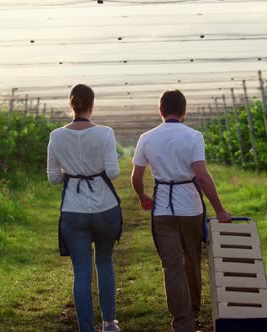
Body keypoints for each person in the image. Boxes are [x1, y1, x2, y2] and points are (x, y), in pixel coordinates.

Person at [130, 89, 232, 332]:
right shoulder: (194, 136)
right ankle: (194, 310)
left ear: (161, 111)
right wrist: (219, 209)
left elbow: (136, 176)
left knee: (172, 266)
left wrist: (143, 195)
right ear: (184, 112)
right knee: (192, 260)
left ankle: (182, 322)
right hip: (191, 208)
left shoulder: (147, 137)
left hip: (163, 208)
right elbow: (202, 176)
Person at [47, 84, 122, 332]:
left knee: (81, 270)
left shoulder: (56, 136)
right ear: (92, 104)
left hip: (73, 209)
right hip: (105, 207)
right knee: (104, 262)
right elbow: (112, 172)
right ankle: (109, 323)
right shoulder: (105, 133)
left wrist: (72, 170)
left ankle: (86, 328)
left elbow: (53, 178)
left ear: (71, 104)